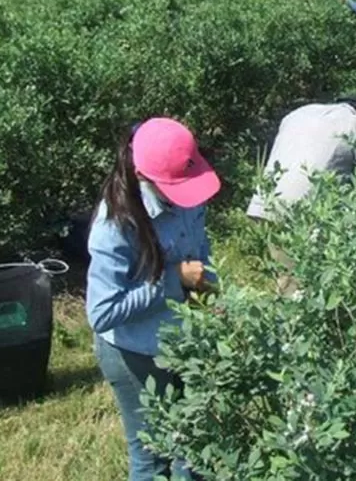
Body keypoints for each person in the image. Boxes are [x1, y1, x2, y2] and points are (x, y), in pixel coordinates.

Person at [86, 117, 220, 481]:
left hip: (181, 342)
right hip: (134, 352)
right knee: (153, 459)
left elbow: (200, 253)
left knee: (196, 449)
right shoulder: (115, 225)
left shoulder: (189, 193)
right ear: (144, 177)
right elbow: (102, 312)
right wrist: (173, 281)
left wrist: (213, 291)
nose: (186, 196)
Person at [247, 97, 356, 294]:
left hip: (266, 204)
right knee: (300, 289)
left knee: (285, 277)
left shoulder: (298, 114)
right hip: (303, 213)